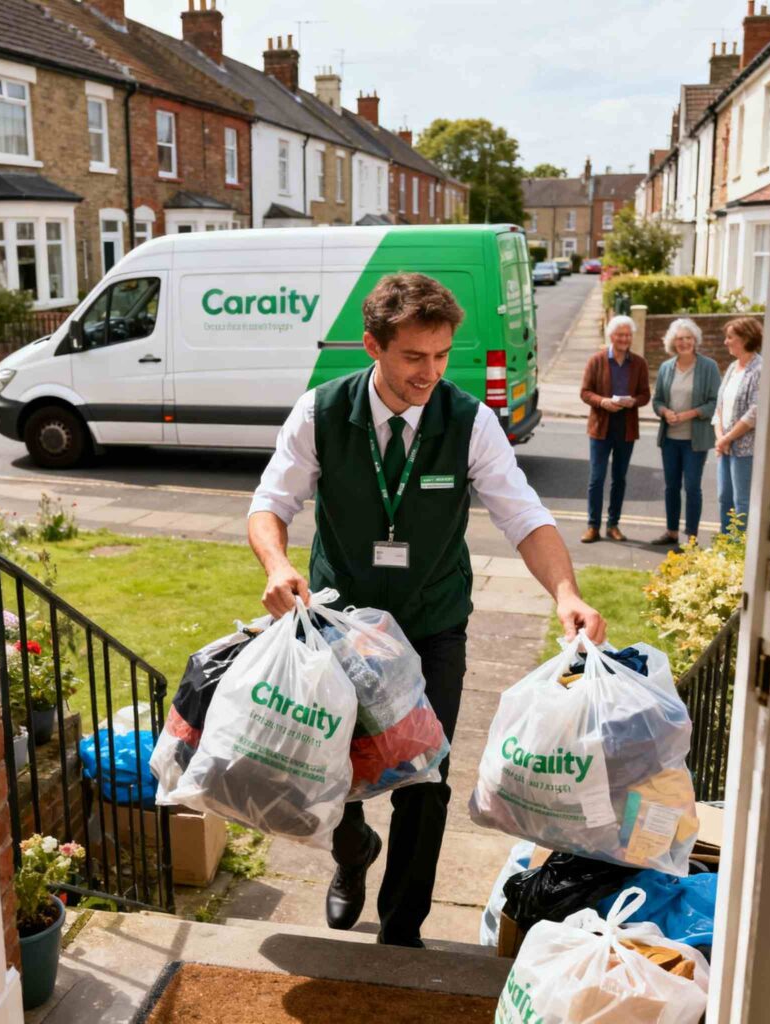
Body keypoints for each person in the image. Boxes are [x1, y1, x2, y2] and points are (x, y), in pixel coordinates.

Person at [247, 273, 605, 949]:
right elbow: (271, 503)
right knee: (332, 759)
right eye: (414, 357)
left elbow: (523, 514)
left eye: (441, 356)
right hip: (340, 622)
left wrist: (566, 593)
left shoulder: (470, 421)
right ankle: (351, 850)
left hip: (433, 622)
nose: (430, 373)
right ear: (373, 346)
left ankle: (402, 932)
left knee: (425, 778)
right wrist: (278, 565)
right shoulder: (319, 413)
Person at [579, 315, 651, 542]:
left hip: (626, 428)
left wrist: (634, 401)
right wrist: (603, 402)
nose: (624, 339)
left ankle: (613, 525)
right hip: (601, 426)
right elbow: (585, 392)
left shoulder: (639, 363)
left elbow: (645, 395)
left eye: (628, 335)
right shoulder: (597, 360)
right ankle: (593, 526)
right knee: (596, 478)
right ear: (611, 336)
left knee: (619, 479)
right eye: (620, 334)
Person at [650, 318, 721, 546]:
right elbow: (657, 400)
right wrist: (664, 411)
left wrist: (688, 414)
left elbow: (714, 403)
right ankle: (671, 532)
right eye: (679, 339)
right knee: (671, 486)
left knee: (692, 487)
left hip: (695, 440)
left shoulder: (708, 367)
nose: (684, 342)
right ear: (673, 342)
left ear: (695, 340)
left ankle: (691, 538)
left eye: (688, 338)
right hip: (670, 439)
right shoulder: (666, 368)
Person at [713, 317, 763, 532]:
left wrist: (727, 438)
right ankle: (725, 548)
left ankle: (739, 551)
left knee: (741, 501)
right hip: (725, 447)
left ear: (745, 339)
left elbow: (755, 411)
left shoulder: (760, 369)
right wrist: (720, 438)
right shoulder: (733, 367)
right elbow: (720, 405)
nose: (726, 342)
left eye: (730, 337)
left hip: (744, 449)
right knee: (724, 498)